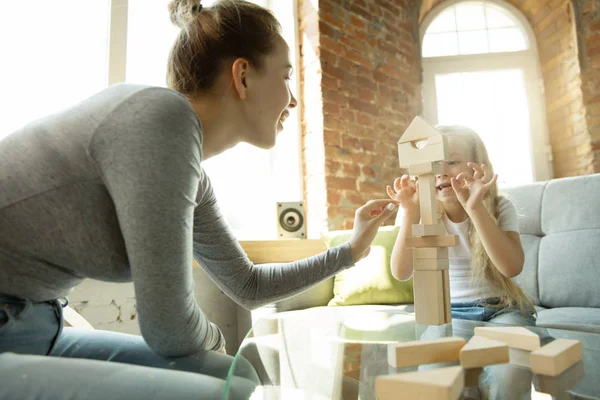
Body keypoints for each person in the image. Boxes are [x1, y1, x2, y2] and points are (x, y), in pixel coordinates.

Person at [0, 1, 397, 398]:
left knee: (237, 375)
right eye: (286, 77)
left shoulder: (186, 167)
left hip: (34, 327)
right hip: (11, 329)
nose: (292, 100)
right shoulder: (160, 118)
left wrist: (352, 251)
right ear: (242, 76)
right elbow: (169, 328)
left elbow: (247, 285)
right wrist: (210, 339)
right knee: (216, 389)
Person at [387, 125, 536, 399]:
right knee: (433, 375)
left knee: (511, 372)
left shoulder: (500, 207)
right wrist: (409, 211)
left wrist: (475, 207)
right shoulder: (419, 212)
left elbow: (512, 267)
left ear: (479, 167)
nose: (442, 171)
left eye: (453, 161)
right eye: (434, 164)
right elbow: (401, 271)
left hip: (503, 311)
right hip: (449, 315)